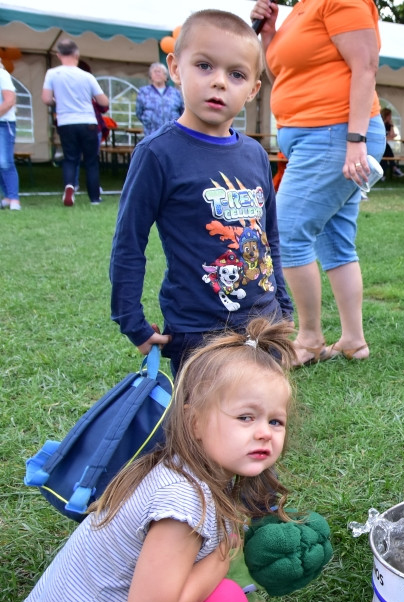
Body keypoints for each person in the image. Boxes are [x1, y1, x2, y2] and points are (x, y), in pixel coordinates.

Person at [10, 317, 296, 602]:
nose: (263, 433)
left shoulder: (176, 466)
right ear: (194, 423)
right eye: (245, 417)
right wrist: (222, 557)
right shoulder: (185, 503)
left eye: (276, 422)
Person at [110, 9, 293, 376]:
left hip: (264, 328)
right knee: (199, 429)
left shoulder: (255, 154)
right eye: (205, 66)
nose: (220, 82)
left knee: (260, 423)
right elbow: (129, 243)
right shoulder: (157, 154)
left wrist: (284, 308)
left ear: (254, 89)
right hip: (198, 332)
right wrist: (132, 322)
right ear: (176, 68)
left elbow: (269, 236)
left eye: (236, 74)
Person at [251, 0, 386, 365]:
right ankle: (353, 341)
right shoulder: (300, 9)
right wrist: (269, 36)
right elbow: (288, 73)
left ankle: (309, 339)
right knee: (335, 239)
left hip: (337, 133)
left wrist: (355, 141)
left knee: (290, 234)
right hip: (319, 135)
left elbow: (366, 64)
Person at [41, 38, 109, 207]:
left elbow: (46, 99)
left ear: (58, 55)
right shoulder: (87, 76)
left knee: (70, 158)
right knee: (91, 160)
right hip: (87, 121)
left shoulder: (52, 74)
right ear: (77, 55)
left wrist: (59, 101)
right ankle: (94, 197)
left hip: (65, 121)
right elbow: (103, 102)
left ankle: (70, 185)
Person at [136, 61, 185, 139]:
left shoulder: (175, 93)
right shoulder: (144, 92)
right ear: (150, 76)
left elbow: (182, 111)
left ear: (166, 76)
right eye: (154, 71)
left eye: (160, 71)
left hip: (173, 135)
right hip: (151, 135)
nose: (157, 73)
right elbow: (139, 113)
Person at [0, 59, 20, 211]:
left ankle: (14, 199)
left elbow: (9, 101)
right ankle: (7, 196)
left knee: (5, 162)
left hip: (4, 123)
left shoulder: (2, 75)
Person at [380, 107, 404, 178]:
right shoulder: (381, 125)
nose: (390, 117)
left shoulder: (388, 125)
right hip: (380, 145)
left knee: (386, 152)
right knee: (387, 151)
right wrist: (389, 136)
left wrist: (391, 125)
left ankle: (384, 174)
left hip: (384, 145)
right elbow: (384, 137)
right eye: (389, 115)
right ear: (386, 116)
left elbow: (392, 135)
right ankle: (394, 169)